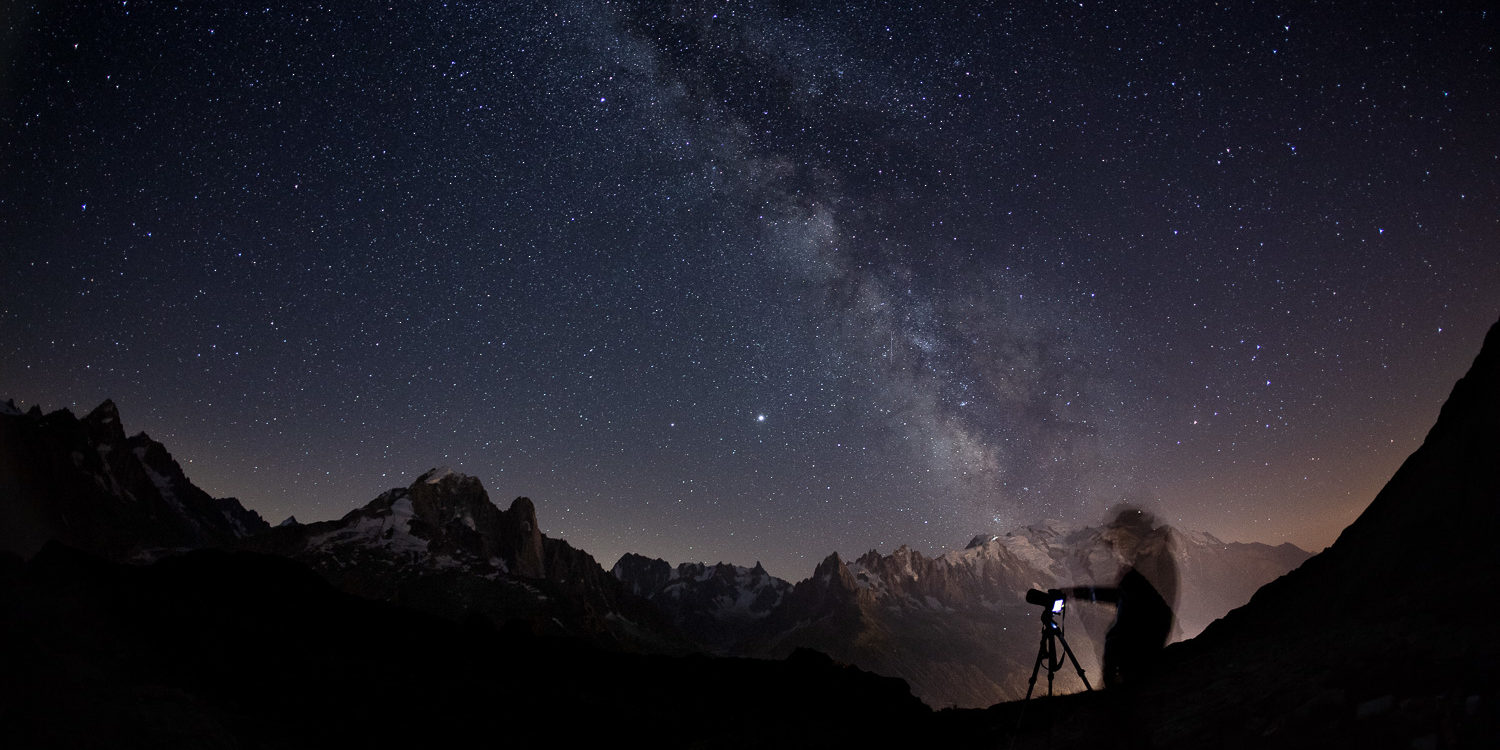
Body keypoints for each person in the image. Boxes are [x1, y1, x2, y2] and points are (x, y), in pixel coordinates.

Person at [1068, 507, 1177, 689]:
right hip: (1140, 653)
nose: (1115, 540)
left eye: (1121, 533)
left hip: (1135, 656)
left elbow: (1125, 597)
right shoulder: (1150, 559)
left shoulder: (1147, 564)